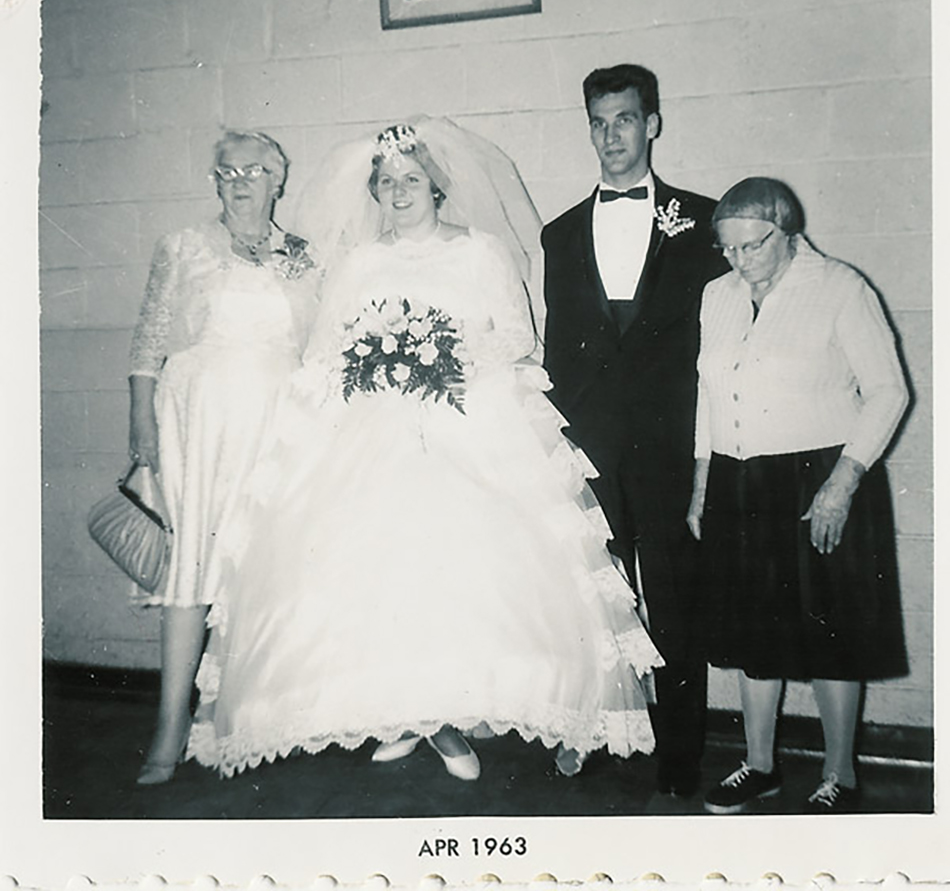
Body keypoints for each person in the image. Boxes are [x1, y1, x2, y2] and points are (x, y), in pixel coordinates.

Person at [187, 119, 663, 781]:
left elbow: (518, 337)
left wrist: (446, 355)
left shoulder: (481, 252)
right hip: (374, 423)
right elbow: (328, 346)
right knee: (381, 562)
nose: (398, 191)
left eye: (411, 179)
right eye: (386, 183)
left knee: (460, 561)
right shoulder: (360, 261)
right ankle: (408, 712)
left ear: (438, 186)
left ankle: (448, 718)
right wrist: (377, 360)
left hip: (469, 417)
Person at [688, 177, 909, 814]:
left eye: (751, 248)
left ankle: (839, 775)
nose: (738, 263)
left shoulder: (841, 287)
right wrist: (704, 483)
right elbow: (708, 392)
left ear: (787, 232)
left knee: (832, 635)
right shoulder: (717, 295)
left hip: (820, 479)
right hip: (737, 476)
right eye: (726, 250)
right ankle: (759, 766)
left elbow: (889, 392)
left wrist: (843, 483)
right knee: (752, 631)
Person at [541, 63, 726, 798]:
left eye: (624, 118)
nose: (610, 135)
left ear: (652, 122)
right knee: (592, 593)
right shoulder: (559, 234)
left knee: (674, 593)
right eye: (598, 120)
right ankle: (599, 731)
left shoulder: (704, 219)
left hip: (669, 441)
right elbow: (558, 350)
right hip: (589, 441)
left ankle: (680, 752)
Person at [127, 130, 321, 785]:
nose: (240, 181)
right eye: (227, 171)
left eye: (255, 171)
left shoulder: (302, 256)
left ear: (278, 181)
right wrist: (141, 429)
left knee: (262, 572)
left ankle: (245, 715)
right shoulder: (183, 247)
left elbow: (318, 345)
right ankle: (169, 721)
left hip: (277, 423)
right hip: (198, 425)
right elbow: (148, 341)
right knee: (190, 570)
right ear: (215, 181)